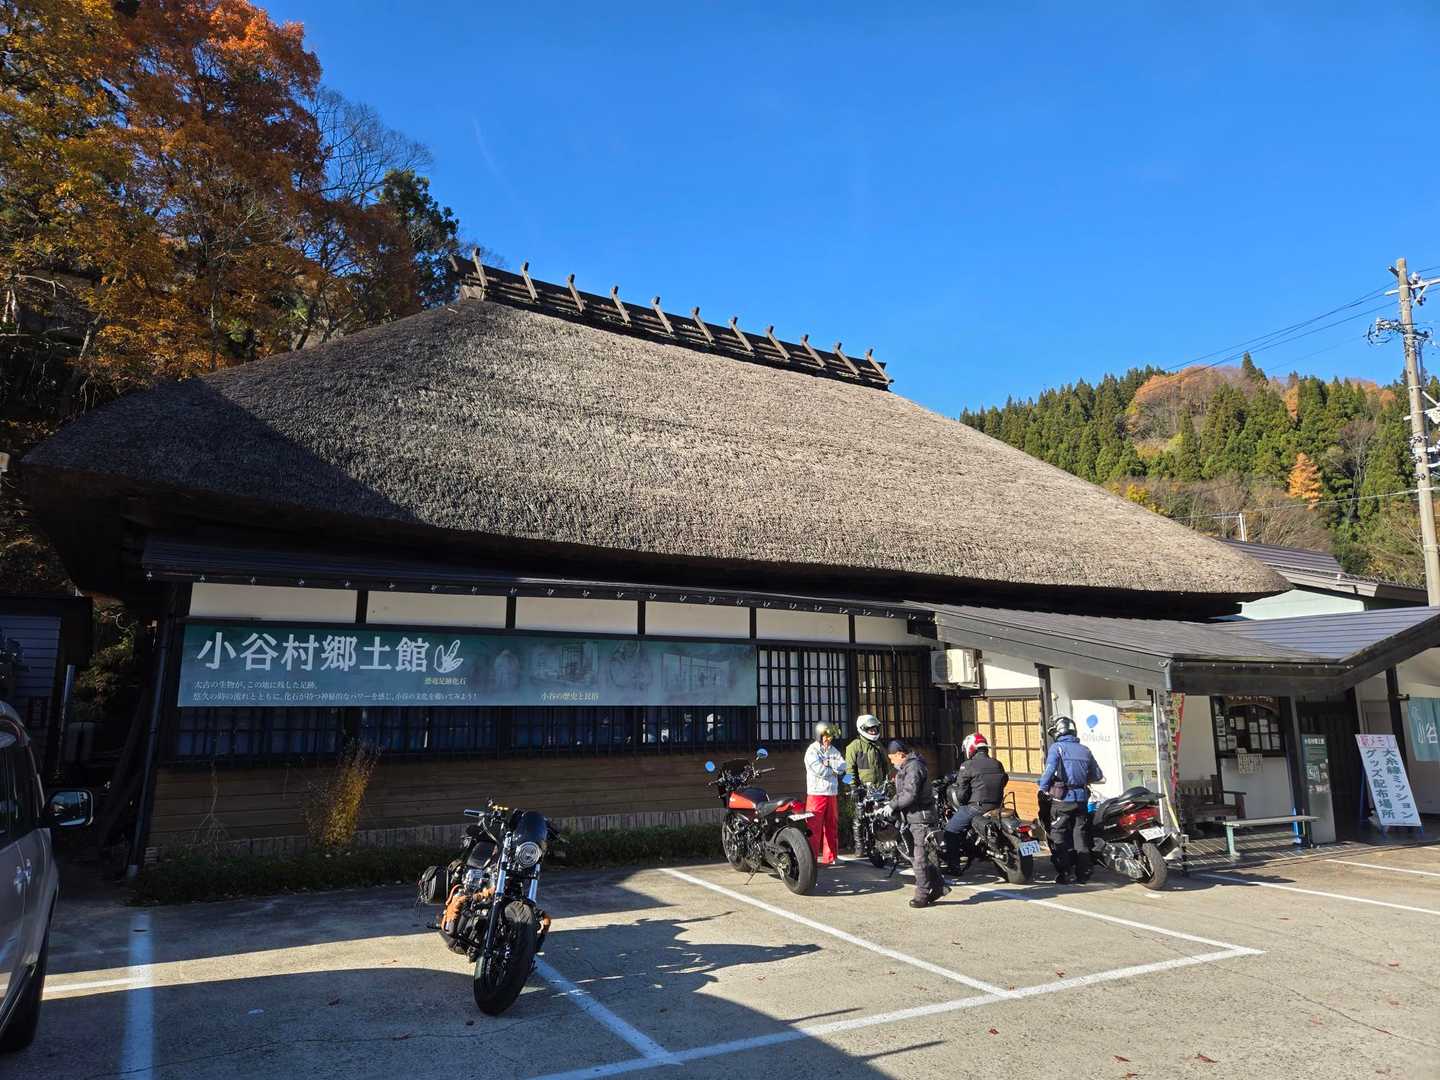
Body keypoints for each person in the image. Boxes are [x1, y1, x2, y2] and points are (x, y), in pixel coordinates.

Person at [1037, 715, 1104, 885]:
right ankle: (1084, 873)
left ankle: (1065, 872)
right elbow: (1097, 775)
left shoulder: (1057, 748)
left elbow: (1049, 770)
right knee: (1080, 834)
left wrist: (1043, 787)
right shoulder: (1085, 750)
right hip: (1081, 799)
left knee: (1057, 833)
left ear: (1058, 732)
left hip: (1062, 799)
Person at [887, 739, 945, 907]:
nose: (891, 761)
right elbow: (903, 792)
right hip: (912, 817)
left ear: (900, 754)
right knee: (916, 856)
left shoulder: (914, 767)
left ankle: (922, 896)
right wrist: (891, 804)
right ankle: (938, 886)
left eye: (892, 757)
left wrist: (892, 805)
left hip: (921, 818)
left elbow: (910, 794)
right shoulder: (908, 767)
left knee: (919, 858)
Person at [942, 732, 1009, 871]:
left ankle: (954, 867)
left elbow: (961, 795)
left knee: (951, 829)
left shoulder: (967, 765)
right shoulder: (997, 763)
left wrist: (964, 799)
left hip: (977, 807)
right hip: (998, 805)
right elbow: (1004, 780)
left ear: (971, 748)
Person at [803, 721, 847, 865]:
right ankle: (811, 859)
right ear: (819, 735)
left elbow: (843, 766)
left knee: (832, 826)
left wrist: (830, 765)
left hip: (832, 793)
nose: (829, 739)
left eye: (830, 736)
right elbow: (819, 770)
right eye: (826, 736)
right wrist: (834, 769)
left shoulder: (834, 750)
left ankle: (831, 857)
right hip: (816, 793)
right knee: (813, 827)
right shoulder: (812, 751)